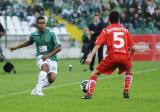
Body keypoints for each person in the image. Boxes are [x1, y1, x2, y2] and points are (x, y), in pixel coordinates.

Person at [82, 10, 135, 99]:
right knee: (129, 71)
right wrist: (130, 57)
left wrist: (90, 56)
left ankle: (89, 95)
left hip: (112, 56)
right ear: (119, 20)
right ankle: (126, 91)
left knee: (95, 73)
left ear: (109, 20)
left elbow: (98, 44)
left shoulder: (106, 30)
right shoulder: (125, 30)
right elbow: (133, 48)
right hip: (125, 56)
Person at [9, 16, 62, 96]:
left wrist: (48, 55)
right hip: (41, 57)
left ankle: (36, 89)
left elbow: (59, 47)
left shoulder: (52, 34)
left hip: (52, 58)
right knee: (45, 67)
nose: (42, 25)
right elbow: (28, 42)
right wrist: (16, 47)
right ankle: (38, 92)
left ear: (45, 23)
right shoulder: (33, 35)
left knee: (52, 78)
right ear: (36, 24)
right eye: (40, 23)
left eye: (43, 23)